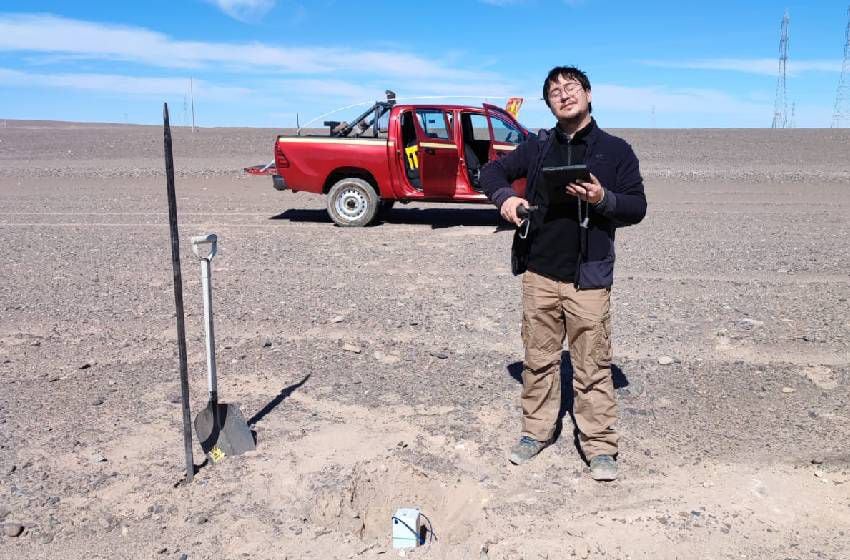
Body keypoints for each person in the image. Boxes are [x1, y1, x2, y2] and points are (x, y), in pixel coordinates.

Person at [480, 66, 647, 481]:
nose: (563, 94)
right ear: (549, 103)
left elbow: (637, 206)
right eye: (554, 91)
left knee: (592, 365)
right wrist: (506, 200)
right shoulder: (536, 147)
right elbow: (490, 172)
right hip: (539, 272)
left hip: (588, 276)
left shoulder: (616, 150)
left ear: (588, 94)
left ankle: (599, 447)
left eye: (571, 87)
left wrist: (602, 198)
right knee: (538, 360)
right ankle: (536, 432)